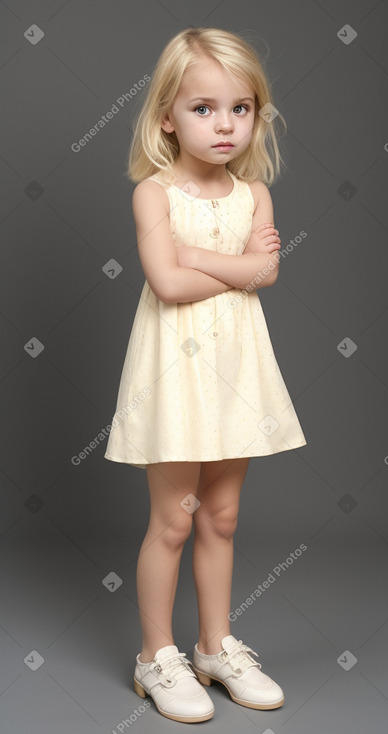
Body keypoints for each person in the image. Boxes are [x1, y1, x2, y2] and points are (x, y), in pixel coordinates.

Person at [104, 26, 307, 723]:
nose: (224, 123)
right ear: (166, 113)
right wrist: (237, 270)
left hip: (235, 371)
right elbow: (166, 282)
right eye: (202, 108)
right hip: (173, 374)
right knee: (174, 519)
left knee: (221, 515)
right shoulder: (152, 195)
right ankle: (156, 655)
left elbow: (269, 270)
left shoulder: (253, 194)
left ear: (256, 114)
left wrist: (204, 258)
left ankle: (214, 644)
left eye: (241, 108)